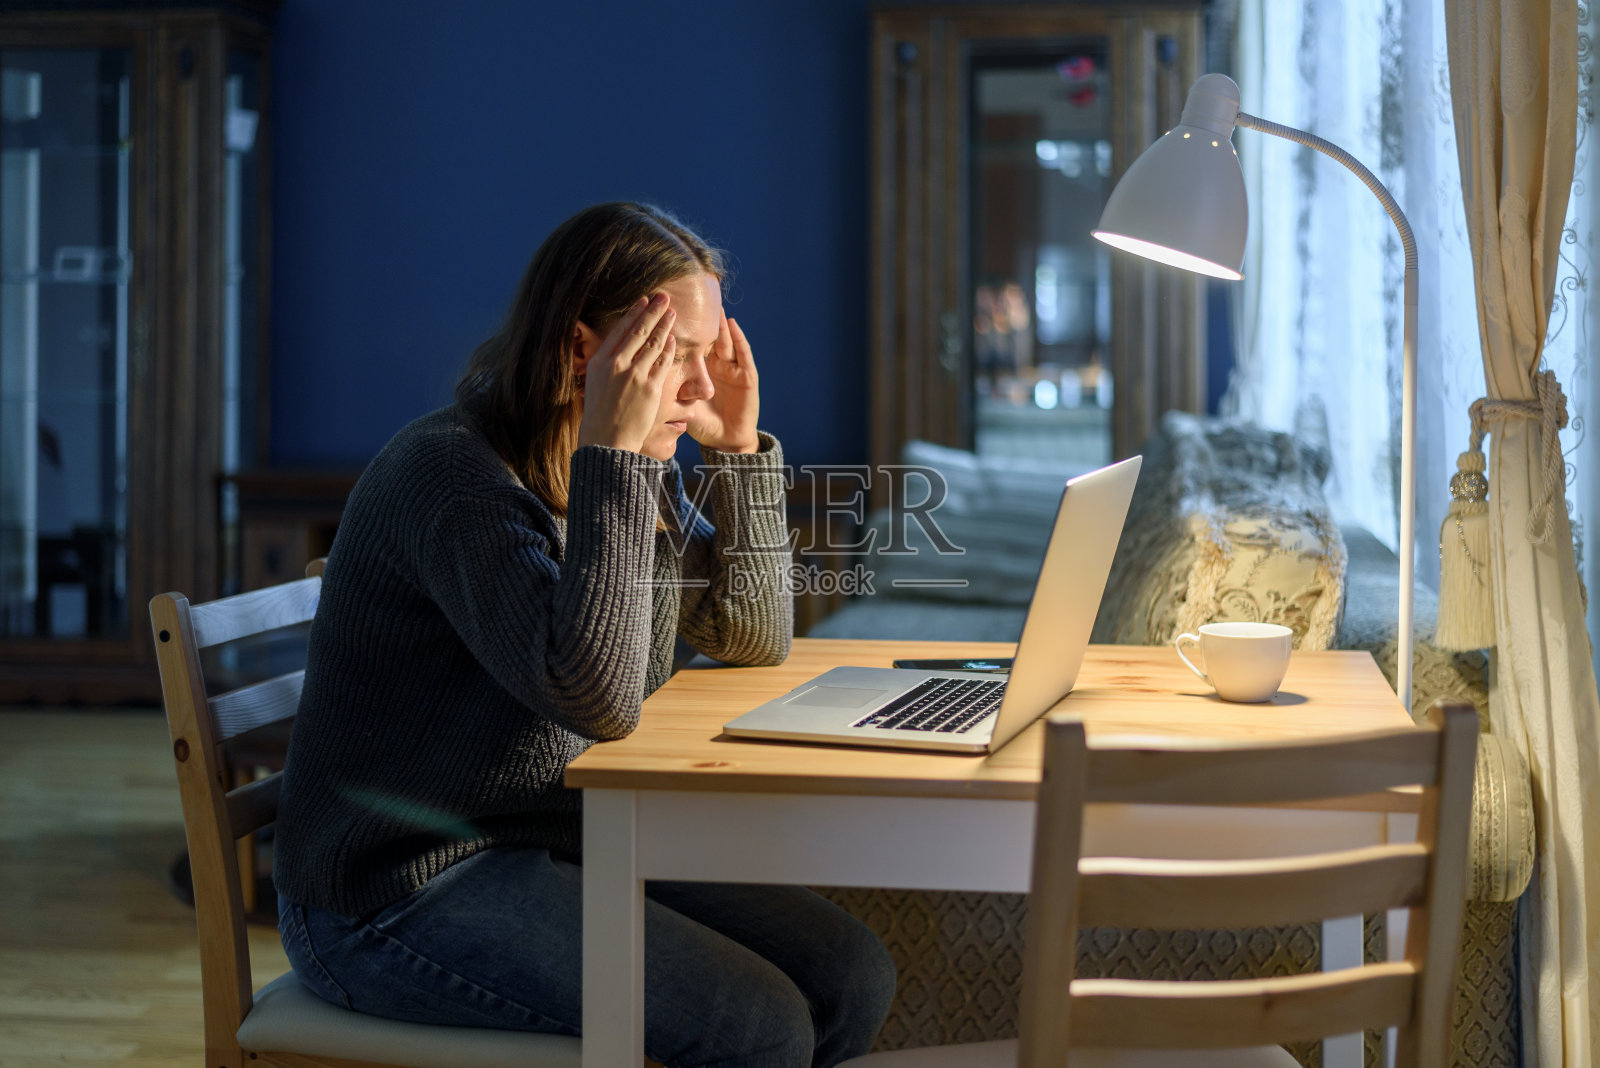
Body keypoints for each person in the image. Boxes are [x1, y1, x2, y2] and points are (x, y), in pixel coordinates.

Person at [272, 202, 897, 1068]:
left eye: (707, 356)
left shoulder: (614, 465)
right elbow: (602, 699)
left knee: (850, 975)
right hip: (395, 890)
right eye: (677, 357)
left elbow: (749, 633)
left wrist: (741, 450)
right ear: (581, 352)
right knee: (755, 1028)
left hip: (544, 839)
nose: (701, 387)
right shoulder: (455, 478)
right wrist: (624, 463)